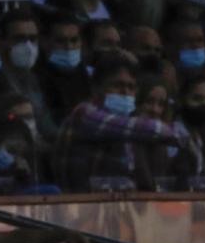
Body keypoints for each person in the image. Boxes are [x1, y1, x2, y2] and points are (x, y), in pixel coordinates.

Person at [54, 55, 180, 191]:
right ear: (96, 88)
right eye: (117, 85)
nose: (125, 92)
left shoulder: (128, 129)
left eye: (131, 87)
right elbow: (156, 130)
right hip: (75, 206)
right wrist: (175, 133)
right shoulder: (84, 113)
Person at [0, 8, 55, 140]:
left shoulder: (35, 80)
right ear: (1, 42)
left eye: (33, 39)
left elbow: (47, 126)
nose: (28, 46)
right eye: (19, 39)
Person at [37, 13, 90, 126]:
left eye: (74, 40)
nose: (69, 47)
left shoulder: (86, 75)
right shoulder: (36, 79)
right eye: (60, 41)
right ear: (44, 42)